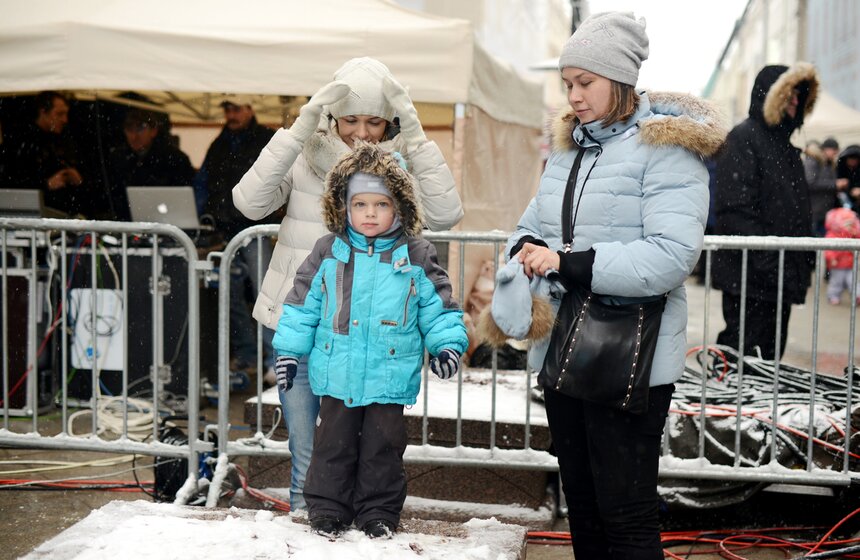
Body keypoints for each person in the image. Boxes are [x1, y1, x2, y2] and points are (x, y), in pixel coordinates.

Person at [503, 12, 722, 559]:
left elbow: (670, 256)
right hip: (564, 347)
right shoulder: (569, 149)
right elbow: (534, 221)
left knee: (624, 511)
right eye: (567, 84)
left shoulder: (669, 150)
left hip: (632, 355)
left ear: (620, 80)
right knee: (582, 500)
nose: (573, 96)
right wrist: (523, 249)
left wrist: (566, 262)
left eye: (585, 83)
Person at [232, 56, 463, 512]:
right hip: (298, 320)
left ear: (389, 121)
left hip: (369, 332)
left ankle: (357, 528)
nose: (361, 132)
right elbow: (248, 202)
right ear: (331, 116)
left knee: (363, 451)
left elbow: (446, 214)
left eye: (374, 121)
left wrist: (414, 134)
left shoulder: (398, 167)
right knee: (308, 451)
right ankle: (309, 522)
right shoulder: (304, 154)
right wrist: (300, 129)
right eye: (350, 119)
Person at [271, 141, 467, 537]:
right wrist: (289, 353)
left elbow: (439, 307)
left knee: (383, 449)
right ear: (343, 206)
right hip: (338, 369)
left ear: (399, 207)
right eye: (360, 205)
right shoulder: (329, 250)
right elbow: (301, 305)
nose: (370, 214)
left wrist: (446, 345)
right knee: (333, 446)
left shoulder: (415, 253)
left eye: (381, 205)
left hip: (389, 373)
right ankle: (327, 509)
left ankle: (378, 512)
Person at [713, 62, 819, 360]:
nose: (796, 101)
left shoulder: (785, 147)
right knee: (742, 357)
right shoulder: (744, 138)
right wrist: (771, 263)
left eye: (801, 95)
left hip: (778, 278)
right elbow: (734, 210)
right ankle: (731, 407)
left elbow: (795, 211)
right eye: (790, 94)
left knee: (768, 362)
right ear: (771, 95)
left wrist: (799, 263)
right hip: (751, 278)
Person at [194, 95, 276, 381]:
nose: (231, 114)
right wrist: (202, 217)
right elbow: (203, 183)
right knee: (228, 294)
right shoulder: (220, 143)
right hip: (225, 231)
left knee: (265, 295)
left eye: (236, 108)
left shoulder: (266, 138)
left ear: (251, 108)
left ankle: (274, 360)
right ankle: (248, 356)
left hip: (256, 230)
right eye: (228, 109)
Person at [6, 91, 91, 216]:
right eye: (59, 114)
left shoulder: (64, 138)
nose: (64, 120)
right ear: (43, 112)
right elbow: (14, 182)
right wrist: (46, 184)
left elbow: (82, 170)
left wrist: (78, 178)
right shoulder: (23, 140)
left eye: (66, 114)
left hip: (65, 213)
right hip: (34, 216)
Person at [106, 108, 195, 220]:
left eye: (140, 128)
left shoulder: (174, 159)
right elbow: (114, 195)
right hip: (127, 224)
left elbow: (184, 197)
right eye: (129, 129)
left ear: (153, 131)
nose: (134, 136)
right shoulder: (117, 158)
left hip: (167, 223)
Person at [803, 137, 840, 236]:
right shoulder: (813, 161)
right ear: (826, 149)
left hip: (823, 211)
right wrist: (834, 185)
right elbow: (810, 182)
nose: (835, 154)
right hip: (815, 210)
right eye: (834, 150)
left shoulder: (828, 163)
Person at [823, 207, 860, 306]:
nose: (849, 226)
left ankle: (857, 295)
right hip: (837, 265)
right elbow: (828, 250)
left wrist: (854, 232)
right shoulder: (832, 235)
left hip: (851, 264)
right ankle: (833, 296)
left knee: (853, 281)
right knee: (836, 282)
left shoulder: (853, 234)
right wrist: (832, 258)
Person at [836, 144, 860, 209]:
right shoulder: (840, 169)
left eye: (855, 158)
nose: (852, 160)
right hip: (844, 205)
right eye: (850, 157)